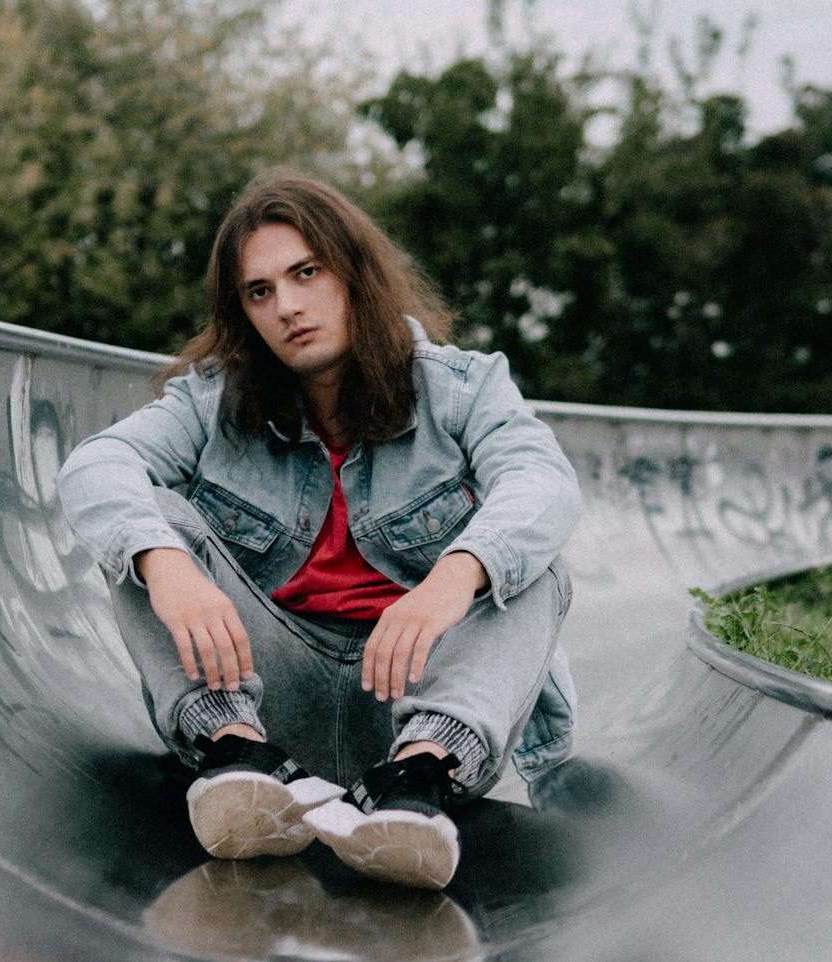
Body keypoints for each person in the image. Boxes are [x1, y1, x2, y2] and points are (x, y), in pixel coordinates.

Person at [57, 170, 580, 889]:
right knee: (148, 530)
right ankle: (237, 762)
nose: (288, 308)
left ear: (355, 276)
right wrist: (166, 566)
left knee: (527, 556)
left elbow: (542, 482)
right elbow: (98, 463)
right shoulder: (215, 401)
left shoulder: (461, 387)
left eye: (307, 273)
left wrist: (454, 577)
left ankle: (414, 788)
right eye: (260, 291)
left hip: (414, 705)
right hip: (270, 707)